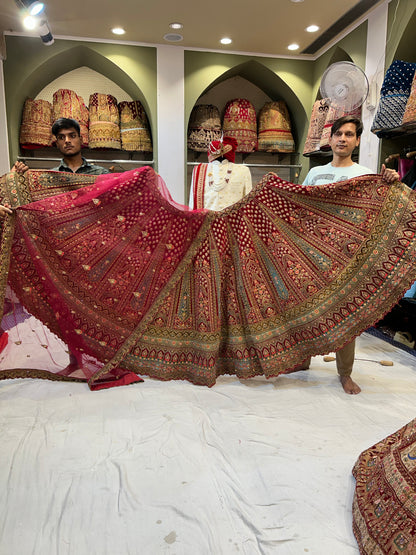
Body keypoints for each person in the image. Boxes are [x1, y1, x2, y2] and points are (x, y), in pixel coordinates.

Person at [294, 115, 400, 395]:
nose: (342, 138)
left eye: (349, 134)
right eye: (338, 133)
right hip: (313, 254)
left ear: (357, 140)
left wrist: (390, 179)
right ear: (330, 139)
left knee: (345, 315)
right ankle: (301, 359)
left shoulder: (365, 175)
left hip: (347, 258)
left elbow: (379, 208)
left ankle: (345, 373)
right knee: (305, 309)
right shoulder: (315, 174)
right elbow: (300, 208)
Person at [12, 117, 110, 176]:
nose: (67, 141)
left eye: (72, 136)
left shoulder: (100, 174)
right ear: (57, 144)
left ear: (81, 140)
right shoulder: (51, 178)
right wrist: (19, 177)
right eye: (61, 137)